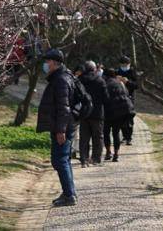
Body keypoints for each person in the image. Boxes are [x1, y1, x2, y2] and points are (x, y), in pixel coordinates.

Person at [36, 48, 78, 207]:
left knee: (60, 160)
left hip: (63, 127)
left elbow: (63, 107)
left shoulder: (61, 80)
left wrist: (61, 130)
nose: (45, 65)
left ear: (53, 62)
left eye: (47, 62)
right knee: (63, 160)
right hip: (63, 125)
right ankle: (69, 191)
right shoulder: (61, 77)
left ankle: (69, 195)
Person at [78, 60, 108, 167]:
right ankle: (96, 159)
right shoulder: (100, 80)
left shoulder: (80, 80)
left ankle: (84, 159)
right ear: (95, 69)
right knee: (98, 137)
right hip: (97, 113)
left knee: (84, 137)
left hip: (84, 113)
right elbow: (106, 98)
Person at [103, 68, 134, 162]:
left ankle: (108, 152)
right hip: (120, 112)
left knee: (106, 133)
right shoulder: (120, 83)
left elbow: (103, 97)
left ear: (105, 76)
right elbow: (127, 94)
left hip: (108, 112)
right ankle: (116, 153)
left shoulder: (105, 84)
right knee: (116, 133)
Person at [117, 56, 138, 145]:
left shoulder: (132, 72)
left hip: (129, 98)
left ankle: (129, 137)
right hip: (119, 98)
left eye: (126, 64)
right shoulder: (118, 72)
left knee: (129, 117)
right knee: (121, 117)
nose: (124, 66)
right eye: (123, 64)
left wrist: (127, 82)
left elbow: (136, 85)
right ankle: (124, 136)